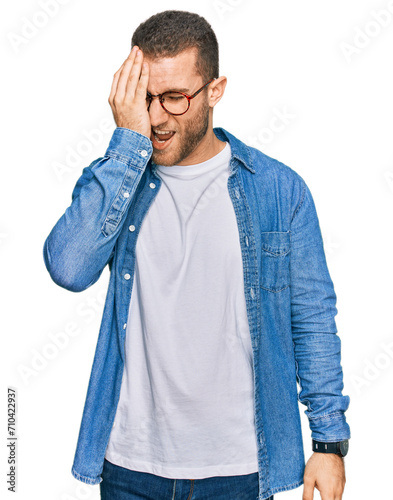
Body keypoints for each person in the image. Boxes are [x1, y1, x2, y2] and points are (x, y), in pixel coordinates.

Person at [43, 10, 351, 500]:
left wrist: (329, 442)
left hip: (240, 470)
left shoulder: (278, 190)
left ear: (215, 90)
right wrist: (126, 146)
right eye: (145, 98)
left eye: (175, 97)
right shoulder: (116, 181)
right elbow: (68, 267)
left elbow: (311, 317)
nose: (158, 116)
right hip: (130, 468)